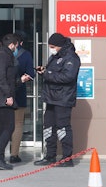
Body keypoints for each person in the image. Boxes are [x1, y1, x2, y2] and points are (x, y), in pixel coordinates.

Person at [33, 33, 80, 167]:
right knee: (48, 127)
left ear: (60, 45)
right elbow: (52, 72)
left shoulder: (72, 58)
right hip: (51, 98)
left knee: (63, 127)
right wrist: (44, 70)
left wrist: (47, 74)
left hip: (63, 99)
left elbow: (67, 77)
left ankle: (67, 158)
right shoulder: (55, 57)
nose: (51, 49)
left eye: (53, 46)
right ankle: (50, 156)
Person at [0, 33, 31, 170]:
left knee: (1, 128)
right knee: (9, 127)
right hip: (2, 98)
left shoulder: (1, 55)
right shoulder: (3, 56)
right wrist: (8, 96)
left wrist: (20, 81)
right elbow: (1, 78)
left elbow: (7, 79)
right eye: (16, 45)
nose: (16, 48)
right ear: (12, 45)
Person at [9, 31, 35, 163]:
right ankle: (14, 154)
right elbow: (31, 74)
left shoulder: (0, 54)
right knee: (18, 124)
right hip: (18, 93)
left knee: (3, 125)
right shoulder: (26, 55)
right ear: (21, 43)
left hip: (2, 94)